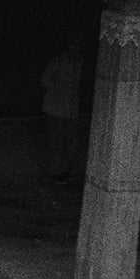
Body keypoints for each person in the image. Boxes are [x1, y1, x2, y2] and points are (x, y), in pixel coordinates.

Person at [40, 41, 81, 180]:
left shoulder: (79, 63)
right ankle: (55, 172)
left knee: (69, 141)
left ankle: (65, 171)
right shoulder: (58, 62)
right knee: (56, 141)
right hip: (55, 108)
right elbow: (44, 81)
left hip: (71, 109)